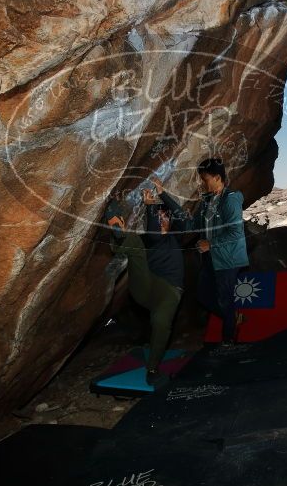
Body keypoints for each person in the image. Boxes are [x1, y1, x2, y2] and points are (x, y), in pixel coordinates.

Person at [153, 158, 248, 345]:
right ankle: (232, 318)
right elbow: (189, 224)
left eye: (205, 179)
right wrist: (163, 195)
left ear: (217, 177)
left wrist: (210, 244)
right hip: (210, 259)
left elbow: (236, 232)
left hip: (228, 260)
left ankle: (228, 342)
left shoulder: (231, 199)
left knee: (225, 300)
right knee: (203, 296)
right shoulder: (206, 202)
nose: (202, 183)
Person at [104, 191, 184, 388]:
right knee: (136, 247)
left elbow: (180, 213)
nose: (162, 220)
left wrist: (162, 195)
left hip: (170, 293)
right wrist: (150, 206)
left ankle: (153, 369)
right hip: (147, 286)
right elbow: (153, 230)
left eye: (165, 217)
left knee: (160, 321)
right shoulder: (153, 239)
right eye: (159, 217)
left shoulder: (175, 238)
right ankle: (118, 229)